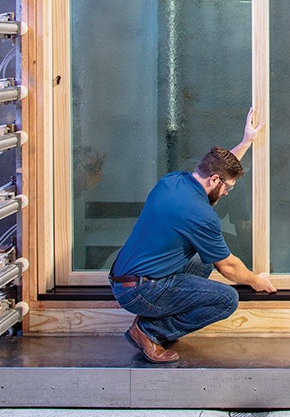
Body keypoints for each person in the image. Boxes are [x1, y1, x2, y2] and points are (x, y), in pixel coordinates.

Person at [109, 108, 277, 363]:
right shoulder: (200, 214)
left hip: (125, 278)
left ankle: (157, 319)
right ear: (214, 180)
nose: (228, 193)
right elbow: (229, 268)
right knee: (226, 299)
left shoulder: (173, 181)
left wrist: (246, 142)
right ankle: (148, 331)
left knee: (203, 263)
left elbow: (221, 170)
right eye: (228, 188)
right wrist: (256, 280)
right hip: (141, 290)